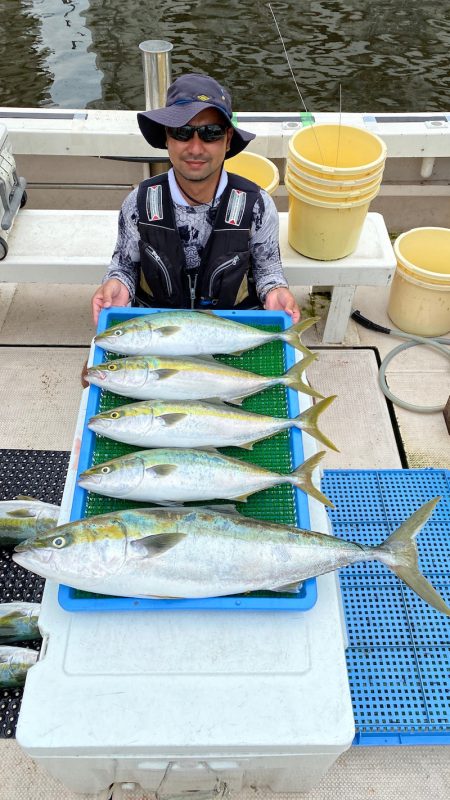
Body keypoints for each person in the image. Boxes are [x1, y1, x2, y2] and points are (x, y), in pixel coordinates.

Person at [90, 72, 300, 326]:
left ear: (228, 139)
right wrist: (116, 284)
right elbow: (124, 265)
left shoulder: (257, 205)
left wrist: (276, 292)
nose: (196, 148)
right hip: (159, 329)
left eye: (211, 132)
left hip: (230, 330)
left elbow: (268, 270)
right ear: (167, 137)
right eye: (182, 132)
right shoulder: (139, 203)